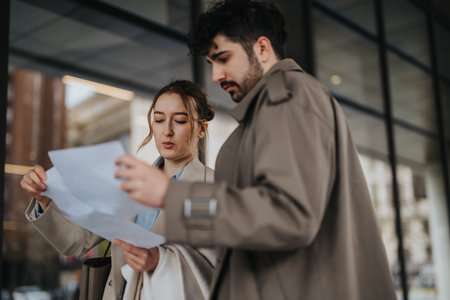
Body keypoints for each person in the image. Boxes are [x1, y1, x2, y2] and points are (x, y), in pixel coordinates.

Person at [115, 1, 397, 299]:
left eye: (224, 58)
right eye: (212, 63)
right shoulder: (271, 111)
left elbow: (288, 214)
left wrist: (173, 197)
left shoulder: (288, 97)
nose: (216, 75)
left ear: (262, 49)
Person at [20, 80, 216, 300]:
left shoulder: (214, 190)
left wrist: (158, 261)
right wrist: (43, 200)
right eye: (159, 119)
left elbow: (216, 270)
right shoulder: (129, 182)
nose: (167, 131)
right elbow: (76, 242)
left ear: (202, 129)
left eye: (180, 120)